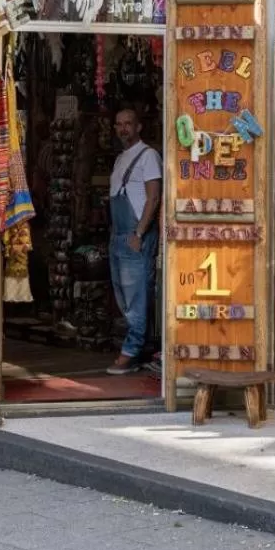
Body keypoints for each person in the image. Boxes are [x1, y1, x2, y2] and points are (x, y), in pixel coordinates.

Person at [106, 107, 162, 375]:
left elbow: (153, 198)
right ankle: (138, 348)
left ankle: (132, 351)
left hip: (134, 235)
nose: (123, 128)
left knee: (136, 295)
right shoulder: (120, 159)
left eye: (128, 123)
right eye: (119, 124)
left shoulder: (148, 156)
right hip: (119, 235)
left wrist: (139, 233)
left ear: (138, 127)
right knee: (123, 296)